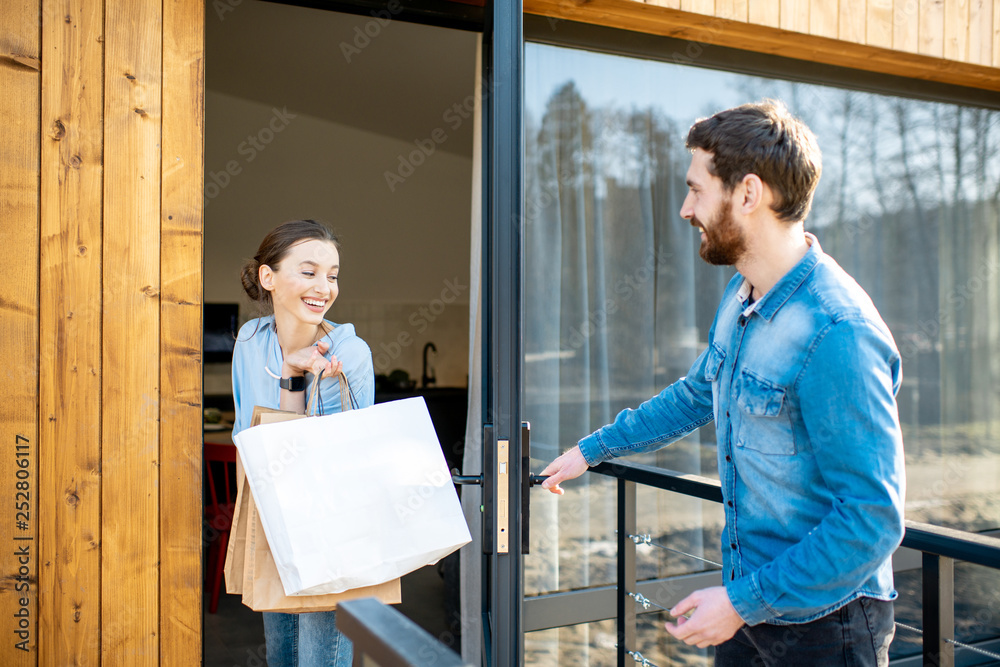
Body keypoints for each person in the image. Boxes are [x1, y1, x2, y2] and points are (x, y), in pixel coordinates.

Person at [540, 101, 906, 666]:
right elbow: (694, 395)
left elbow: (871, 517)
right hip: (747, 604)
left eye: (696, 190)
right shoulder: (743, 296)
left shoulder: (837, 331)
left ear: (749, 194)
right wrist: (593, 449)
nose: (686, 209)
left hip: (825, 627)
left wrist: (738, 603)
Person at [232, 219, 374, 667]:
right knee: (282, 657)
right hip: (275, 520)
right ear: (267, 277)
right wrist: (250, 525)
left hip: (331, 529)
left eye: (332, 275)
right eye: (309, 272)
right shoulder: (250, 342)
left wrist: (309, 379)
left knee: (319, 660)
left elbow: (345, 457)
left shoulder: (348, 353)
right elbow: (250, 438)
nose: (324, 287)